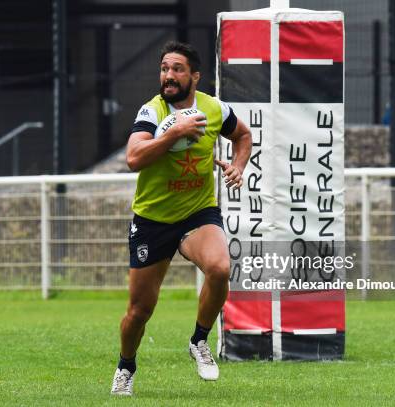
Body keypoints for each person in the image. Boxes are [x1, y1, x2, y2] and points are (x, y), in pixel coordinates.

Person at [110, 41, 252, 396]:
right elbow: (133, 158)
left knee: (220, 268)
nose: (169, 76)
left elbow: (244, 135)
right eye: (164, 69)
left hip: (197, 211)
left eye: (177, 70)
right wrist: (174, 133)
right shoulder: (152, 111)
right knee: (139, 311)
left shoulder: (213, 108)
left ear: (195, 76)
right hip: (153, 219)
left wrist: (237, 164)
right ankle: (126, 365)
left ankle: (199, 340)